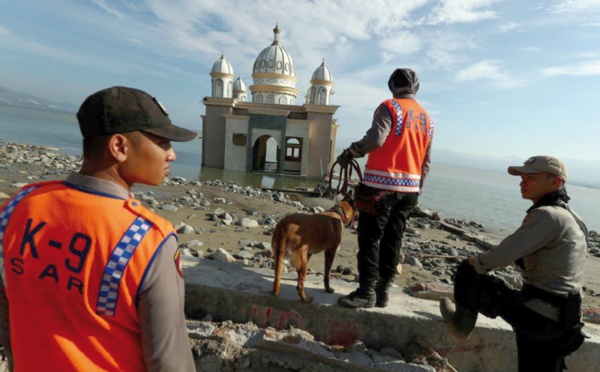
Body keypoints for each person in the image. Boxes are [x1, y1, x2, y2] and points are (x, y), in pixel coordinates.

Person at [0, 86, 197, 371]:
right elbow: (169, 362)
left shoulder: (15, 209)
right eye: (163, 141)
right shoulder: (147, 240)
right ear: (119, 147)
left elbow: (7, 318)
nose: (172, 154)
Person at [440, 155, 588, 371]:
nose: (522, 182)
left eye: (531, 178)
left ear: (556, 182)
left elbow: (501, 256)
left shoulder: (547, 215)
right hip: (567, 319)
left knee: (468, 271)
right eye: (522, 177)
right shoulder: (574, 217)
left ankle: (461, 325)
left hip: (539, 316)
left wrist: (477, 261)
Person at [336, 68, 434, 308]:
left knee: (369, 240)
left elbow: (376, 139)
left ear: (392, 86)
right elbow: (426, 162)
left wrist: (351, 152)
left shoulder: (390, 107)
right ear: (416, 87)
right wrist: (416, 190)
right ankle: (383, 293)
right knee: (393, 240)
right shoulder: (426, 119)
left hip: (380, 188)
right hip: (409, 190)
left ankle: (365, 293)